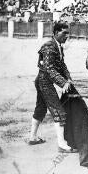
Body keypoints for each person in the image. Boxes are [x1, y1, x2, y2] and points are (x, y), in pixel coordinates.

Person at [29, 22, 77, 153]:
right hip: (44, 81)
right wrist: (63, 82)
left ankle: (33, 137)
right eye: (64, 33)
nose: (67, 36)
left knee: (40, 108)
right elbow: (50, 69)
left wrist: (69, 78)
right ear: (55, 33)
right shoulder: (49, 46)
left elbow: (62, 65)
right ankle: (62, 144)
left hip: (43, 80)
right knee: (58, 110)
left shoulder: (58, 46)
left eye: (68, 33)